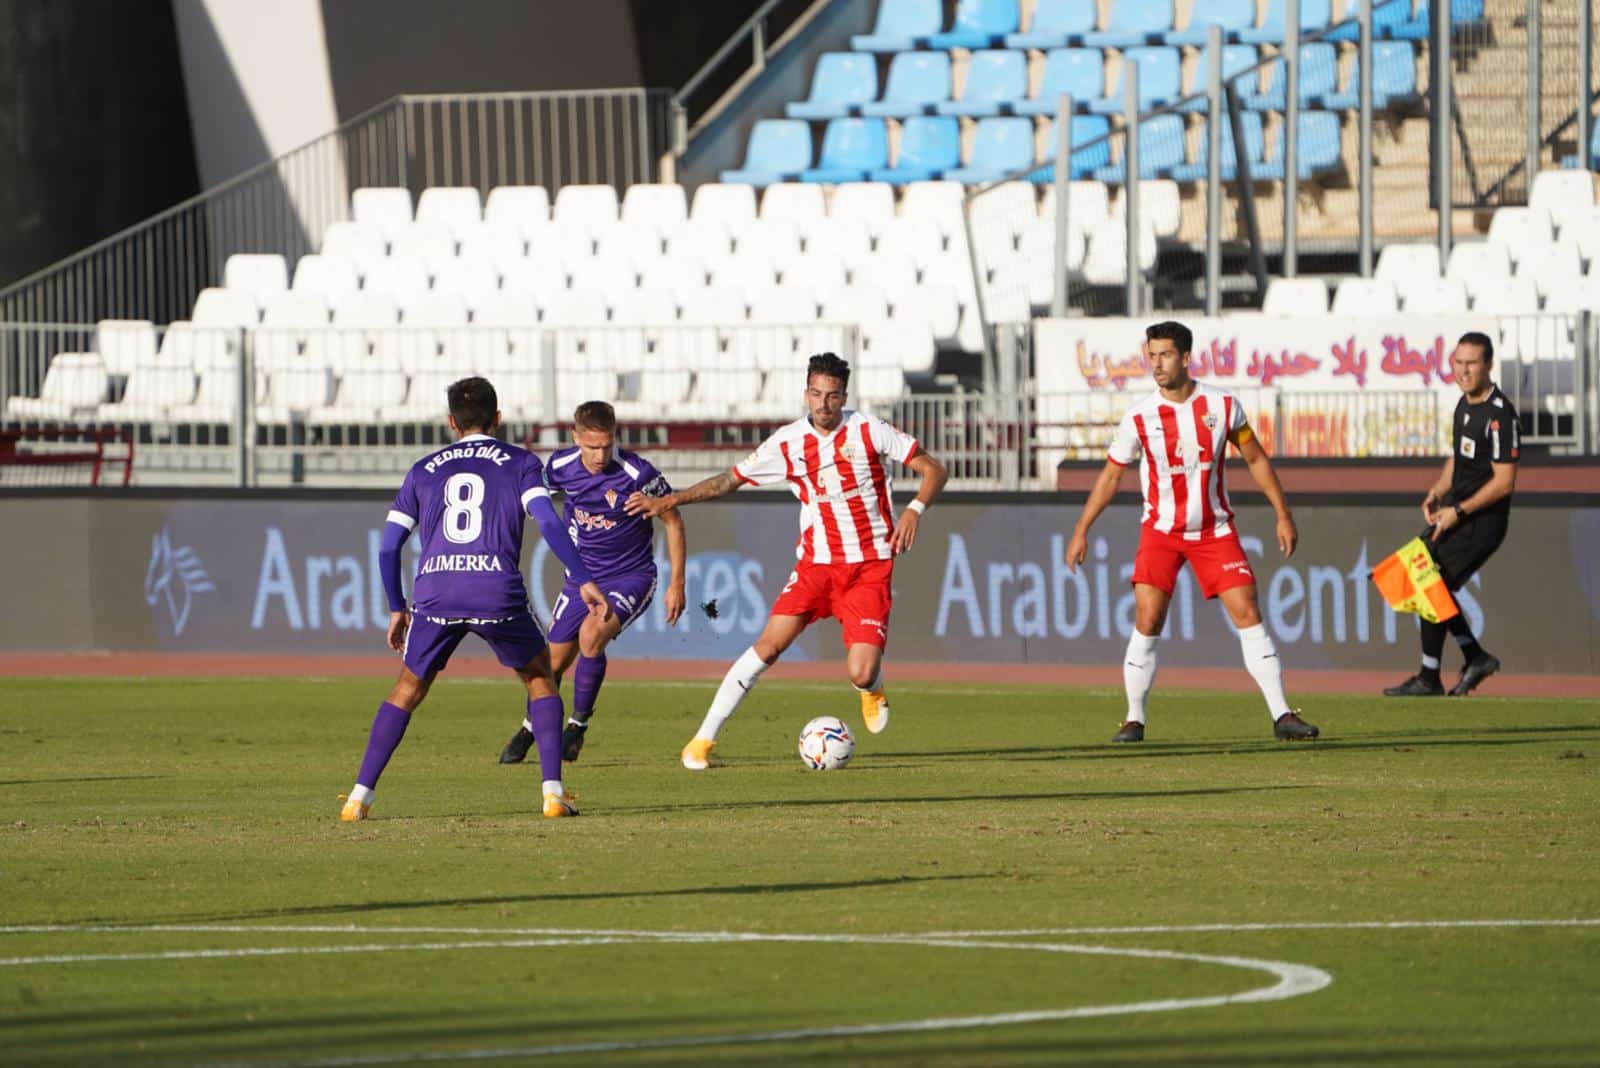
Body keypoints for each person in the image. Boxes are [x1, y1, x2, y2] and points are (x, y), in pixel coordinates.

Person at [625, 352, 949, 770]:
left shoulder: (870, 430)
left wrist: (914, 510)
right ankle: (702, 741)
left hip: (869, 567)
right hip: (816, 566)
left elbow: (934, 469)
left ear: (843, 396)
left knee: (861, 671)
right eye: (816, 394)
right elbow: (729, 480)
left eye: (832, 396)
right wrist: (673, 499)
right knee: (767, 646)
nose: (823, 404)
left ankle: (872, 686)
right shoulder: (788, 442)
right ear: (806, 394)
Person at [339, 376, 606, 822]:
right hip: (495, 590)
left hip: (436, 592)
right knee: (541, 677)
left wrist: (396, 606)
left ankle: (358, 797)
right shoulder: (520, 462)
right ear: (498, 419)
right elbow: (548, 522)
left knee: (408, 688)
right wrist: (581, 576)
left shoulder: (423, 469)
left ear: (450, 422)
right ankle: (553, 793)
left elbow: (388, 547)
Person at [1064, 321, 1320, 743]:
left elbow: (1255, 458)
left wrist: (1283, 514)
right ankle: (1133, 719)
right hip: (1161, 532)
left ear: (1185, 357)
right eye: (1151, 356)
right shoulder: (1140, 417)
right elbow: (1111, 477)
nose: (1156, 364)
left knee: (1247, 612)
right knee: (1148, 618)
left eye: (1164, 355)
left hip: (1214, 530)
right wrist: (1081, 529)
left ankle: (1282, 714)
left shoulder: (1222, 407)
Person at [498, 400, 687, 764]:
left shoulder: (638, 473)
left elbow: (674, 522)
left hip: (630, 576)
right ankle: (529, 728)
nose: (600, 455)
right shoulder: (560, 466)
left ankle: (577, 728)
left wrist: (677, 583)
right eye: (592, 447)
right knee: (548, 665)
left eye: (606, 445)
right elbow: (535, 501)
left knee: (590, 636)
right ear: (575, 438)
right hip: (581, 579)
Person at [1384, 332, 1518, 698]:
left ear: (1489, 364)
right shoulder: (1464, 405)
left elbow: (1504, 482)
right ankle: (1464, 660)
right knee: (1423, 574)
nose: (1464, 370)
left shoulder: (1499, 416)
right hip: (1455, 510)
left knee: (1428, 576)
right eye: (1458, 362)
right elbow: (1459, 457)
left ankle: (1439, 672)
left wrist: (1458, 511)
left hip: (1482, 521)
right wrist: (1437, 491)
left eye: (1472, 362)